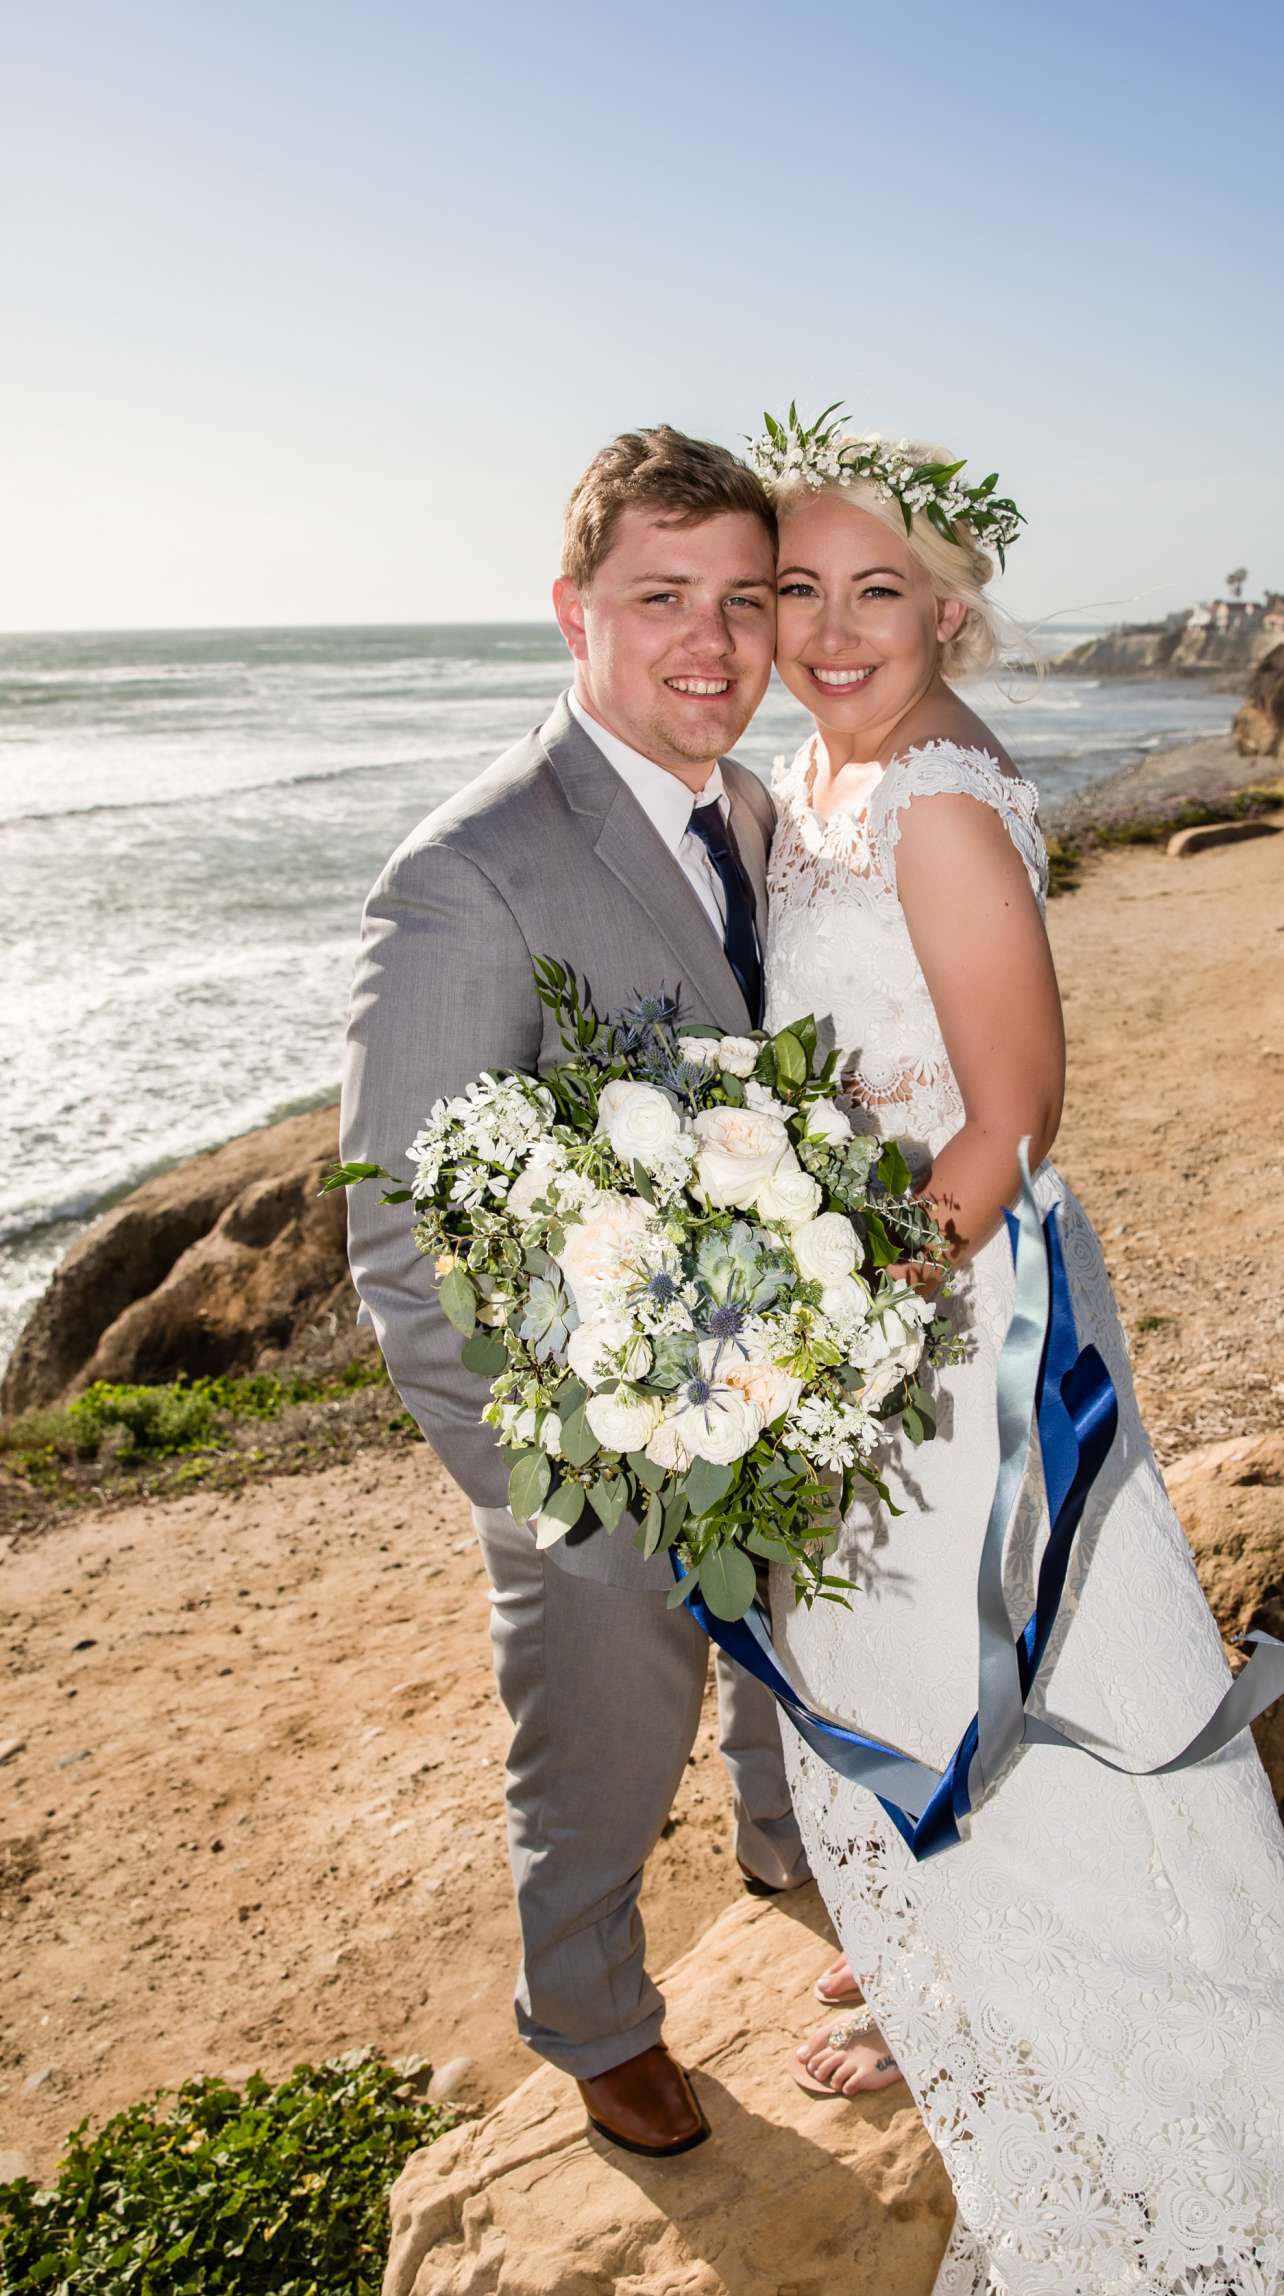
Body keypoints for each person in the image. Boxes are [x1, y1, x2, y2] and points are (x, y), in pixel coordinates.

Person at [753, 412, 1284, 2296]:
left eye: (873, 591)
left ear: (950, 603)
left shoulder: (927, 802)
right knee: (937, 1698)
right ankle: (966, 1991)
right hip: (863, 1316)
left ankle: (1133, 2104)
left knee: (1008, 1680)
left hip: (935, 1339)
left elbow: (1008, 1121)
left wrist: (825, 1325)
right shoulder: (805, 777)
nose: (829, 628)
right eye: (796, 590)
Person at [341, 427, 809, 2161]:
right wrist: (552, 1497)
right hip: (582, 1442)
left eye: (742, 600)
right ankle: (595, 2018)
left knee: (786, 1654)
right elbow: (399, 1226)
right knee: (598, 1742)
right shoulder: (469, 873)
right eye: (662, 596)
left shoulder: (755, 811)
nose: (712, 640)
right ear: (574, 614)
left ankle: (786, 1853)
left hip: (773, 1376)